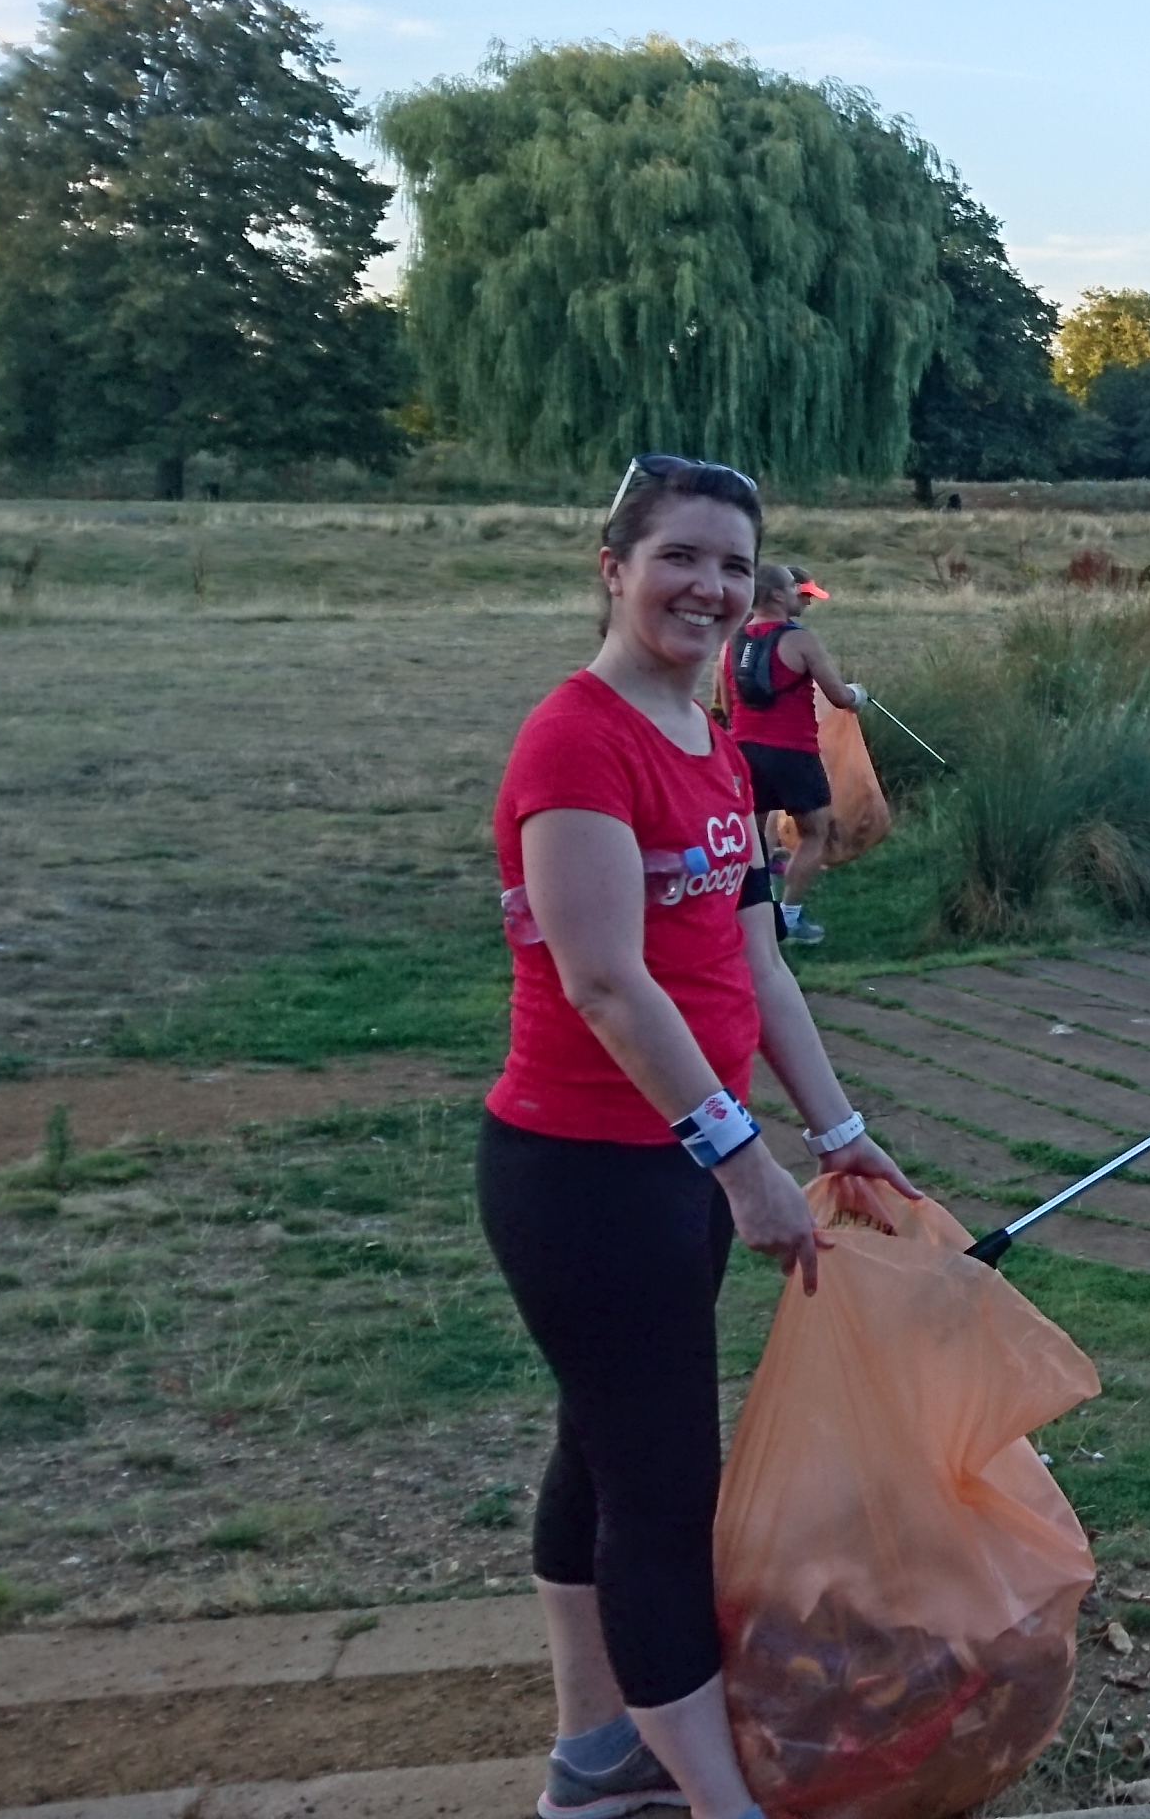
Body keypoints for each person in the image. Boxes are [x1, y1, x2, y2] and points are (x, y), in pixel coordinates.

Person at [483, 455, 918, 1819]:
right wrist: (741, 1163)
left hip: (667, 1168)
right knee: (665, 1494)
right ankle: (716, 1802)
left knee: (602, 1452)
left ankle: (597, 1748)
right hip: (586, 1174)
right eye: (680, 556)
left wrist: (839, 1132)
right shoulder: (580, 739)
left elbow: (758, 969)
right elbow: (605, 981)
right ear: (613, 565)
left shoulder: (715, 743)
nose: (710, 587)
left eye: (734, 565)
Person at [725, 563, 866, 948]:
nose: (796, 592)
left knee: (751, 841)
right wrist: (859, 695)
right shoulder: (800, 640)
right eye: (792, 587)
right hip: (793, 753)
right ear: (775, 595)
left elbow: (725, 703)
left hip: (744, 752)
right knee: (814, 833)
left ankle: (750, 917)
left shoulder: (733, 642)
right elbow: (838, 695)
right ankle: (788, 918)